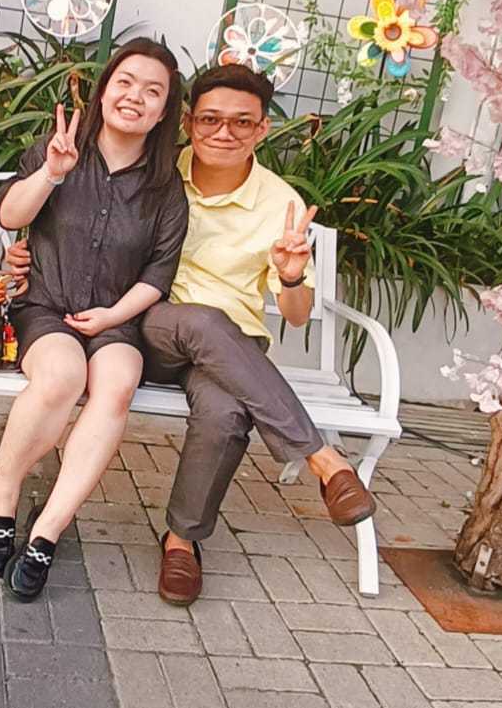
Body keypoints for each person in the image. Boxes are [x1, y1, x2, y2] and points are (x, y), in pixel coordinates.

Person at [142, 62, 376, 606]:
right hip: (153, 331)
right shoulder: (157, 174)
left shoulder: (280, 202)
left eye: (242, 123)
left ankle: (182, 541)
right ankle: (324, 460)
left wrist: (291, 274)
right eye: (210, 119)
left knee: (226, 412)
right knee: (203, 319)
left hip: (231, 353)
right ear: (189, 122)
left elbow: (296, 315)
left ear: (263, 128)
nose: (224, 133)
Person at [0, 38, 188, 602]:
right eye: (125, 82)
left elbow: (159, 273)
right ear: (104, 90)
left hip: (118, 319)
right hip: (44, 305)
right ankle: (2, 498)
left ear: (163, 113)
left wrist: (113, 315)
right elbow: (9, 216)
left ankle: (47, 530)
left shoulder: (166, 187)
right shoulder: (60, 149)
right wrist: (51, 173)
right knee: (62, 376)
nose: (135, 97)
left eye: (152, 91)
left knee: (117, 383)